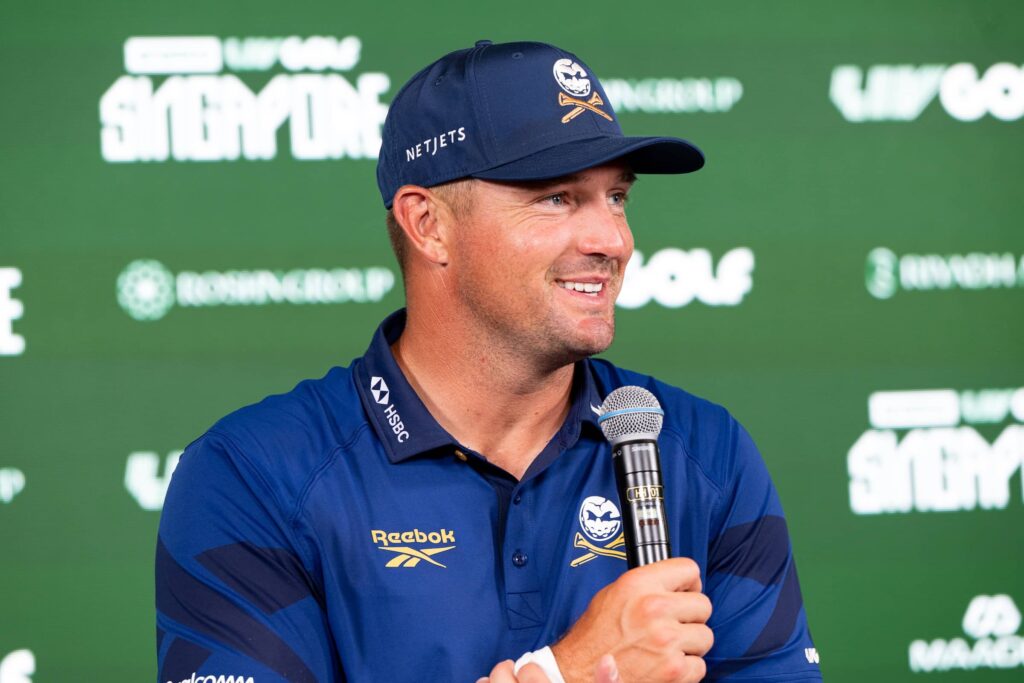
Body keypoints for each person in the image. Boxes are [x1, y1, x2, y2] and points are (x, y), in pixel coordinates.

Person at [156, 40, 822, 683]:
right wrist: (565, 673)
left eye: (616, 196)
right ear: (428, 224)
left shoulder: (704, 454)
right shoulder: (251, 476)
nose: (612, 240)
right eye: (557, 197)